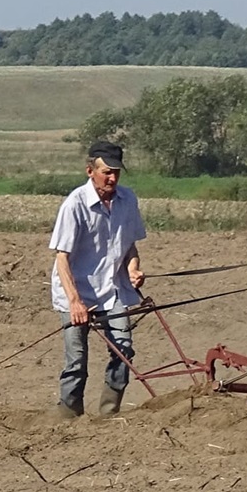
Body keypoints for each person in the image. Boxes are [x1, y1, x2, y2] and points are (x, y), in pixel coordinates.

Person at [48, 140, 148, 417]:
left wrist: (133, 270)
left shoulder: (128, 201)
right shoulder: (75, 205)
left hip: (113, 291)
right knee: (77, 360)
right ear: (90, 170)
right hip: (76, 293)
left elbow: (129, 247)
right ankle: (67, 415)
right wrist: (75, 302)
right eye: (106, 172)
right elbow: (62, 258)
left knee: (123, 352)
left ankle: (108, 414)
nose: (112, 178)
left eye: (117, 172)